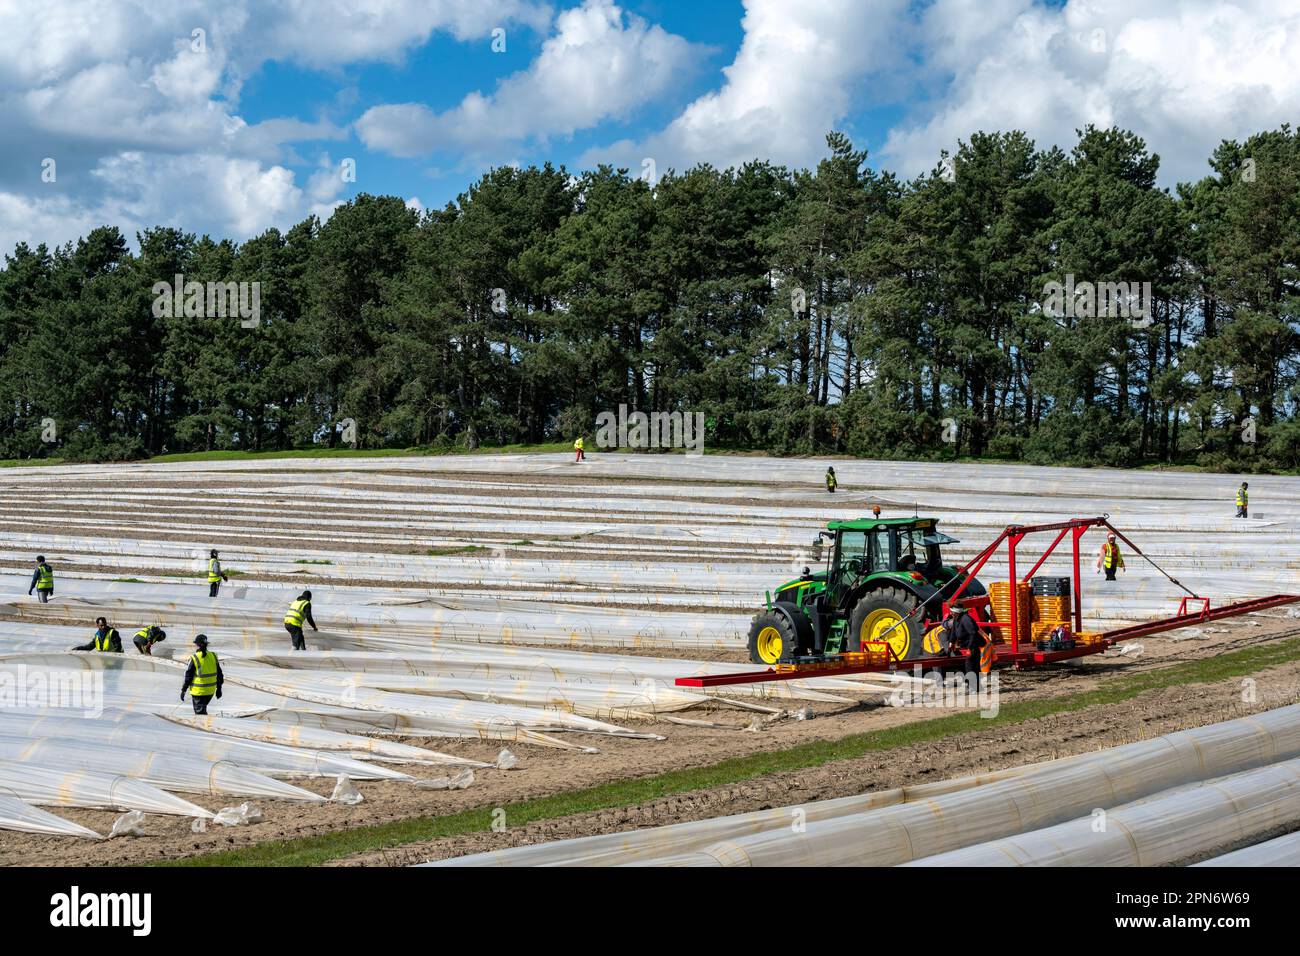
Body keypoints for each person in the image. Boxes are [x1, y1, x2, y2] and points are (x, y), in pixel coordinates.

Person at [942, 605, 990, 691]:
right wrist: (951, 642)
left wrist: (970, 648)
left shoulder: (966, 619)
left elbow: (973, 634)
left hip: (973, 646)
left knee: (971, 667)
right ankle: (977, 688)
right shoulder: (957, 619)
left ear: (956, 612)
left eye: (952, 612)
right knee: (971, 667)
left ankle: (974, 688)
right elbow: (954, 632)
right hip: (968, 646)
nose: (950, 613)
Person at [180, 634, 223, 715]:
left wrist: (183, 690)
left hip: (198, 692)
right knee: (202, 712)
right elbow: (220, 674)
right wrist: (219, 689)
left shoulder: (194, 657)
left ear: (197, 645)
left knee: (200, 715)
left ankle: (206, 726)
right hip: (210, 691)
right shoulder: (213, 656)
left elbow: (188, 676)